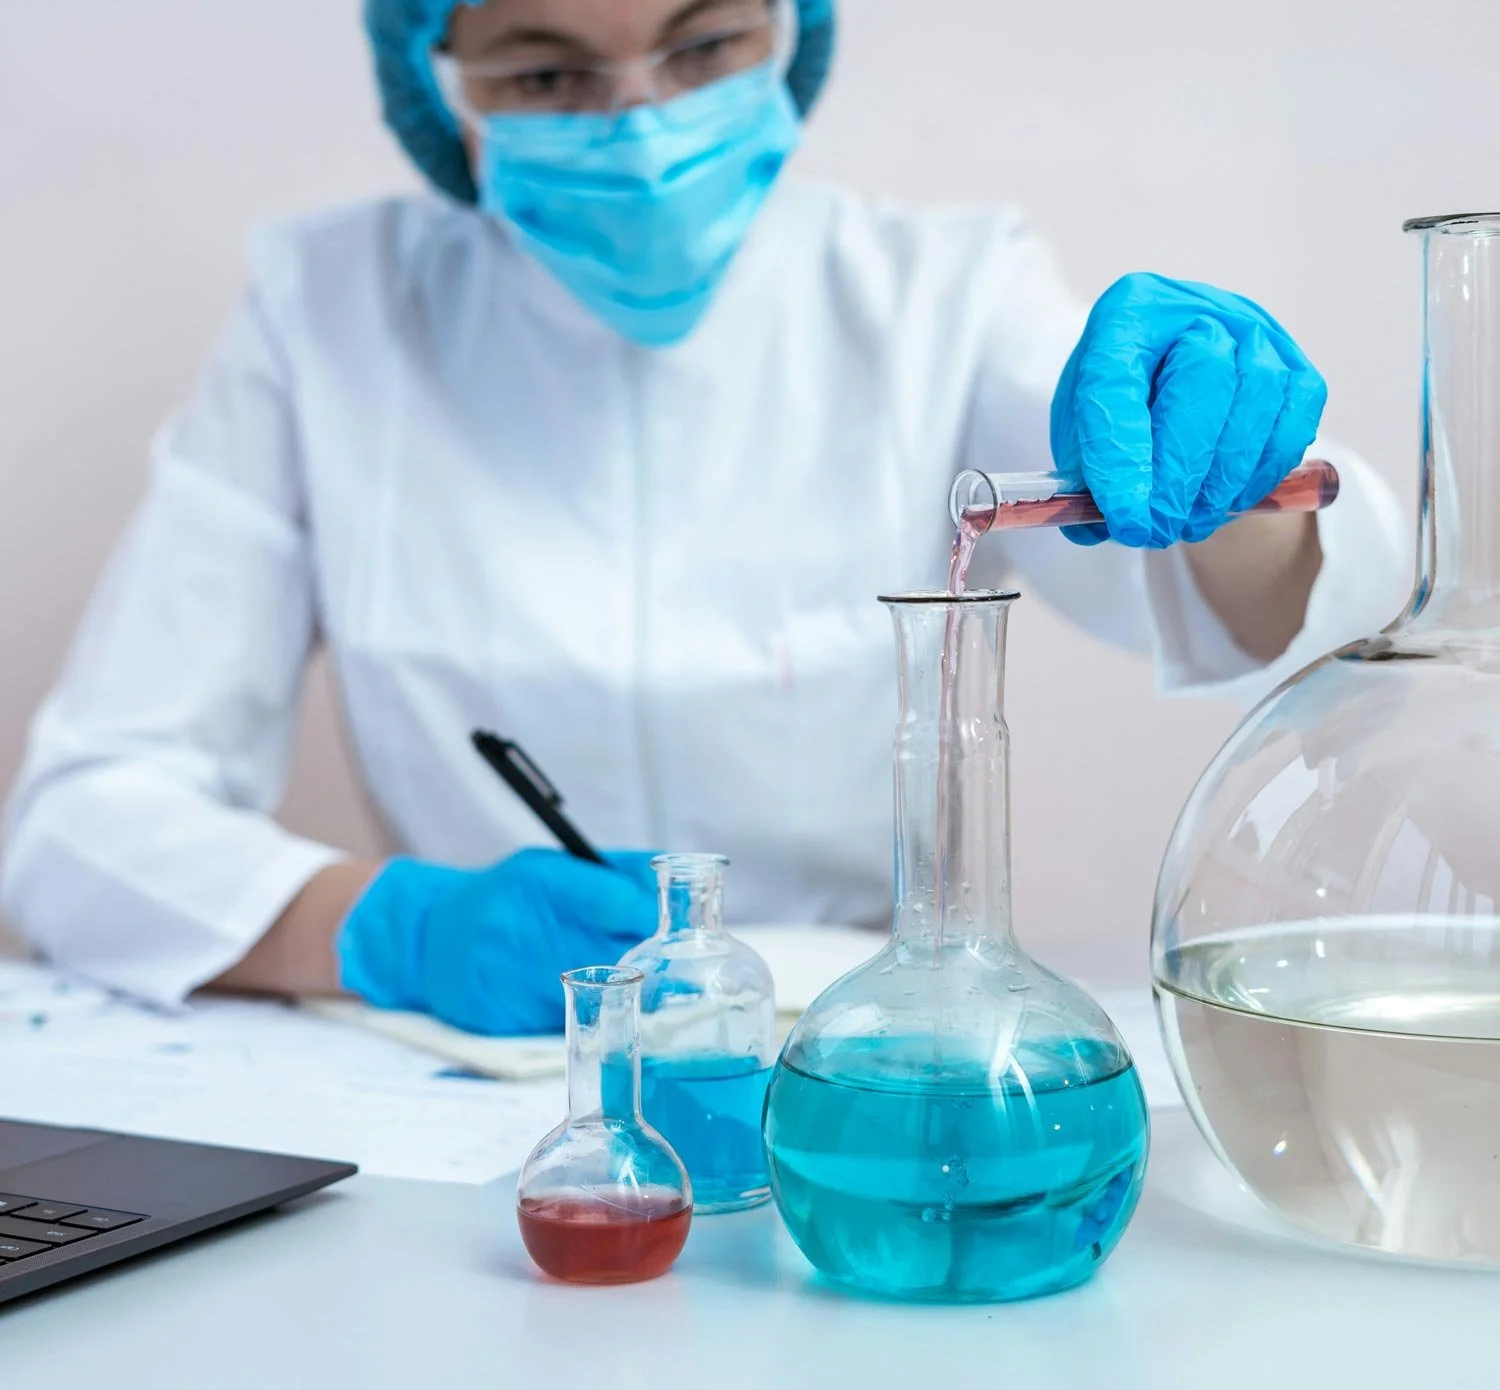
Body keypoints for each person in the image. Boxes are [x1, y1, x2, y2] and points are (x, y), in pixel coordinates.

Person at [1, 0, 1404, 1034]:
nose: (642, 123)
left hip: (847, 1049)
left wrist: (1222, 464)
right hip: (482, 1071)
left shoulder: (939, 294)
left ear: (790, 29)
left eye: (704, 44)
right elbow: (81, 827)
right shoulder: (329, 315)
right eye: (546, 69)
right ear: (442, 85)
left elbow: (1292, 601)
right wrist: (391, 929)